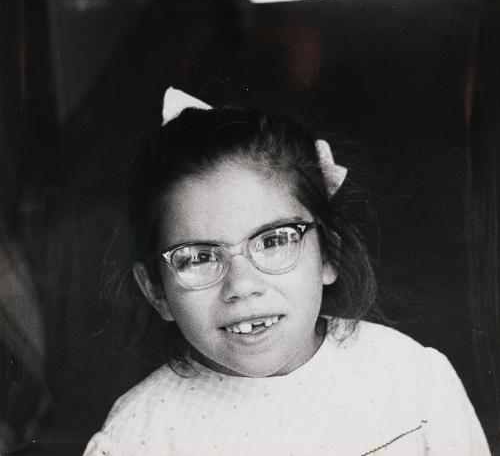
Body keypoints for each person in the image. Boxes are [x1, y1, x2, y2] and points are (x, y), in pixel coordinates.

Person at [83, 87, 491, 456]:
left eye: (274, 240)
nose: (241, 286)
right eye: (198, 257)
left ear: (328, 252)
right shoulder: (137, 439)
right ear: (156, 290)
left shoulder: (411, 380)